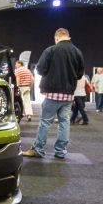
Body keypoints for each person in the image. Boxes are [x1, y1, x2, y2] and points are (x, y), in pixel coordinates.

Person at [23, 28, 84, 159]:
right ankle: (60, 151)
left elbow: (39, 69)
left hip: (51, 93)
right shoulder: (77, 52)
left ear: (56, 38)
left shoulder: (51, 50)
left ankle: (38, 149)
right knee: (64, 122)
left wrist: (49, 74)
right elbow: (79, 75)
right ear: (68, 36)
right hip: (68, 95)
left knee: (45, 122)